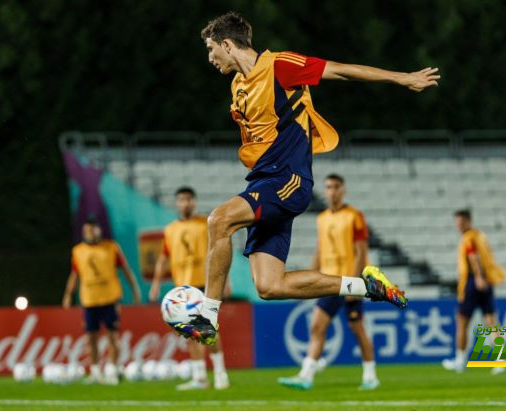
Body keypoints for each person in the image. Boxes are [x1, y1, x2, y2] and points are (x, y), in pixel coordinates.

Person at [174, 12, 439, 345]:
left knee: (219, 220)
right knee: (270, 286)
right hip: (263, 182)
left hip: (288, 180)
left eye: (211, 49)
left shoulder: (281, 66)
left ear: (227, 44)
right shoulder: (238, 85)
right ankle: (365, 286)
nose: (210, 57)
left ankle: (208, 315)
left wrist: (403, 79)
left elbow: (340, 70)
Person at [279, 174, 379, 390]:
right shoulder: (321, 218)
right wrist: (310, 276)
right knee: (317, 326)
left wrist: (355, 282)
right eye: (328, 187)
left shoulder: (354, 216)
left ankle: (370, 376)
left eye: (335, 187)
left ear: (343, 190)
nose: (332, 191)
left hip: (350, 283)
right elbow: (320, 249)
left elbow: (361, 252)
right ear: (324, 191)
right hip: (328, 282)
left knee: (357, 329)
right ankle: (306, 375)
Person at [149, 187, 230, 390]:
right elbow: (163, 258)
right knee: (189, 333)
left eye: (188, 199)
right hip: (182, 290)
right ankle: (200, 377)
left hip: (204, 284)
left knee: (208, 330)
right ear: (176, 203)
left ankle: (220, 374)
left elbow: (220, 251)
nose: (185, 203)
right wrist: (156, 285)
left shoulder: (205, 224)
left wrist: (225, 281)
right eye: (181, 200)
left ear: (194, 202)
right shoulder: (170, 230)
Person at [62, 216, 141, 384]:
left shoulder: (111, 248)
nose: (89, 233)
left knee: (113, 336)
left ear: (99, 230)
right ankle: (96, 372)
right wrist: (68, 294)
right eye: (86, 230)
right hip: (89, 300)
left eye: (92, 229)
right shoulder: (78, 251)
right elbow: (74, 275)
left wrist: (135, 289)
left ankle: (113, 370)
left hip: (109, 298)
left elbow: (125, 269)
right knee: (91, 337)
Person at [442, 209, 506, 374]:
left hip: (472, 282)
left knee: (462, 321)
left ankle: (460, 359)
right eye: (457, 223)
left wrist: (477, 277)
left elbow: (473, 257)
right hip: (487, 280)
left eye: (461, 222)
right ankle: (501, 359)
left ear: (469, 221)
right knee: (491, 321)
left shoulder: (468, 238)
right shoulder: (480, 236)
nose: (459, 226)